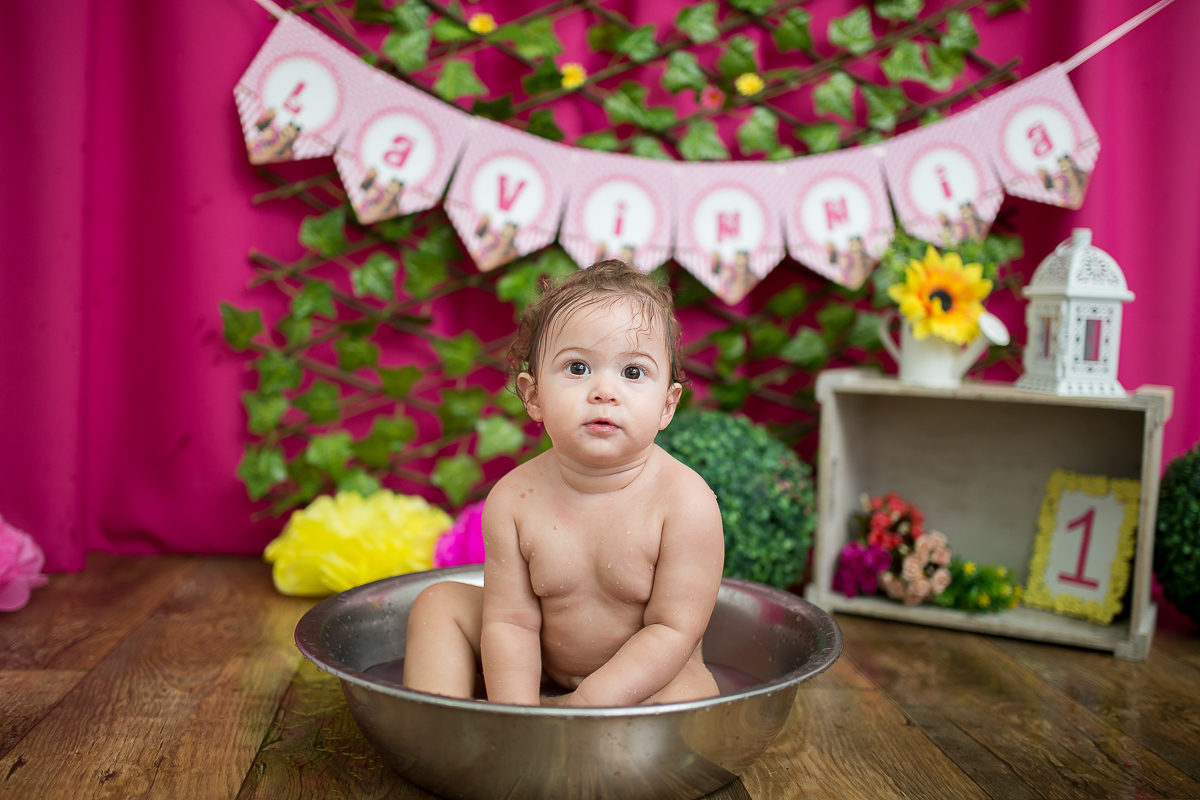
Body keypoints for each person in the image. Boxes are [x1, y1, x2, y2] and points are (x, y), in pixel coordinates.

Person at [403, 259, 724, 707]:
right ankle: (447, 730)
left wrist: (585, 706)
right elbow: (511, 623)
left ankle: (588, 728)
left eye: (633, 372)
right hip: (543, 665)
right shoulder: (515, 499)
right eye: (577, 368)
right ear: (533, 397)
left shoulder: (685, 504)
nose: (604, 391)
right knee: (438, 605)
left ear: (668, 405)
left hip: (649, 679)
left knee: (693, 697)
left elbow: (673, 630)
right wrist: (519, 715)